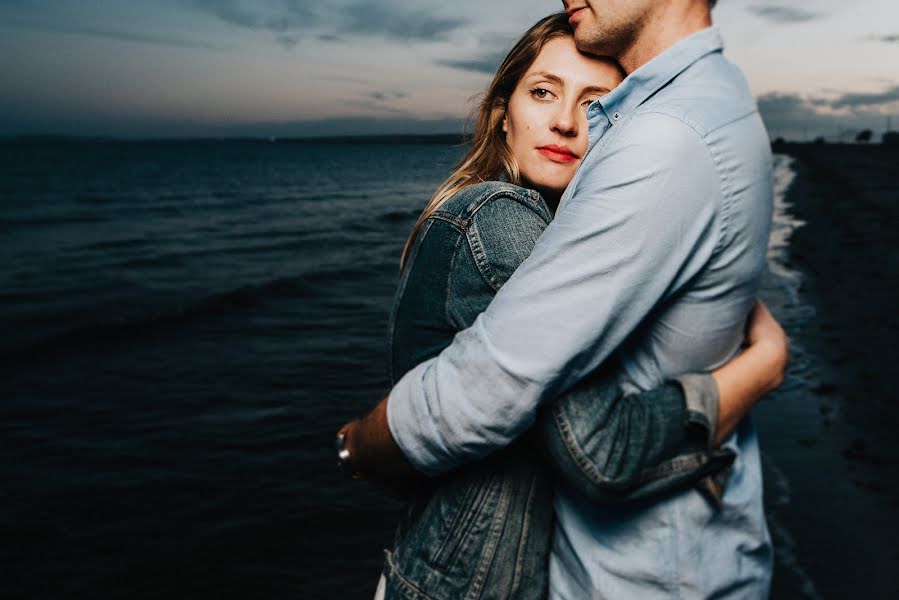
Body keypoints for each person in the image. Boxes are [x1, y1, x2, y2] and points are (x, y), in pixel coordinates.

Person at [342, 0, 779, 597]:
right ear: (503, 115)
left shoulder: (572, 230)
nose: (567, 123)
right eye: (543, 92)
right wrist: (757, 370)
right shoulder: (496, 219)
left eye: (595, 103)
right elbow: (595, 447)